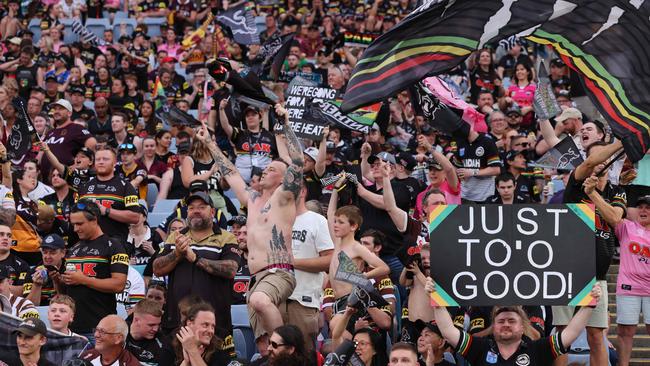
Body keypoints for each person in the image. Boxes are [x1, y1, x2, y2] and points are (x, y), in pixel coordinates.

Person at [207, 104, 303, 343]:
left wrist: (286, 124)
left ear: (283, 179)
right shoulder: (251, 199)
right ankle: (277, 351)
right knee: (261, 346)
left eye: (271, 169)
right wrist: (210, 143)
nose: (264, 171)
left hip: (278, 271)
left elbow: (298, 161)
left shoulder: (283, 197)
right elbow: (230, 173)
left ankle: (286, 348)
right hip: (256, 277)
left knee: (259, 301)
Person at [555, 140, 626, 366]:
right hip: (566, 273)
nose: (601, 162)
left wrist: (593, 195)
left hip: (597, 276)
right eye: (597, 157)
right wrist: (620, 142)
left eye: (605, 158)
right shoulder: (575, 184)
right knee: (561, 337)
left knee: (597, 337)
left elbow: (615, 219)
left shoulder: (617, 191)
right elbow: (590, 162)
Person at [425, 277, 602, 366]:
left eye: (511, 320)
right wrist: (437, 301)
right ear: (494, 327)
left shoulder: (537, 348)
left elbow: (571, 332)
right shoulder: (480, 348)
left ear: (522, 325)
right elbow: (448, 331)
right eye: (501, 321)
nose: (506, 324)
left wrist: (588, 305)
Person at [153, 190, 239, 355]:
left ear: (212, 212)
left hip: (215, 323)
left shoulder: (226, 238)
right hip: (178, 322)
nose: (196, 211)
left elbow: (231, 269)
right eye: (191, 208)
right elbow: (157, 269)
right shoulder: (175, 237)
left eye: (202, 207)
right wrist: (176, 254)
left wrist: (196, 258)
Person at [585, 184, 650, 366]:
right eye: (641, 207)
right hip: (629, 287)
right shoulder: (626, 227)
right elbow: (610, 214)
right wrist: (593, 193)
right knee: (625, 332)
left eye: (648, 207)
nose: (643, 210)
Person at [61, 200, 129, 341]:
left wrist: (84, 280)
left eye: (80, 224)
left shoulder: (113, 246)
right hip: (71, 328)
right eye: (73, 224)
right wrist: (58, 280)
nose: (75, 229)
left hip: (99, 329)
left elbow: (119, 284)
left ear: (94, 220)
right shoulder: (73, 249)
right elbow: (65, 291)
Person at [286, 179, 334, 351]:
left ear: (303, 191)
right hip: (275, 299)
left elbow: (330, 260)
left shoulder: (317, 220)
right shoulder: (274, 219)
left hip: (302, 299)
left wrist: (292, 263)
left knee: (303, 355)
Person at [77, 147, 141, 245]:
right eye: (98, 159)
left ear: (114, 162)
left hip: (116, 244)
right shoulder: (84, 187)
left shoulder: (126, 186)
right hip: (87, 245)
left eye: (105, 159)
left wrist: (106, 211)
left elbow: (135, 217)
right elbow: (76, 214)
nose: (101, 162)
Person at [42, 99, 96, 177]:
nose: (56, 111)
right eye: (55, 109)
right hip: (47, 180)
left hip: (67, 179)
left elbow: (92, 143)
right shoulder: (50, 132)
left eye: (60, 109)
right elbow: (42, 152)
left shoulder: (76, 128)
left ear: (69, 113)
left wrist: (76, 164)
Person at [127, 299, 175, 366]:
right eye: (151, 325)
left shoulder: (163, 347)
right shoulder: (118, 333)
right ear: (137, 320)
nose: (156, 329)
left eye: (158, 324)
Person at [23, 233, 66, 306]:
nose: (47, 256)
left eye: (52, 253)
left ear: (63, 253)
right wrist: (37, 285)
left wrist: (58, 283)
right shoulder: (32, 272)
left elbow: (71, 304)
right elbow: (29, 307)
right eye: (45, 252)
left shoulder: (70, 271)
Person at [0, 221, 30, 296]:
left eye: (9, 236)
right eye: (1, 234)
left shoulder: (21, 265)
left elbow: (22, 291)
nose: (6, 238)